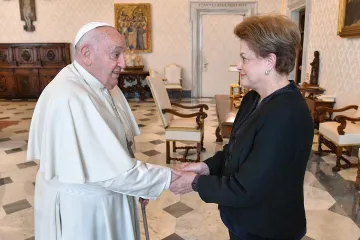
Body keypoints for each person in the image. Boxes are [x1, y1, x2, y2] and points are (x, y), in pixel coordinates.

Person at [27, 22, 178, 240]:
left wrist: (140, 187)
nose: (123, 63)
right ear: (87, 54)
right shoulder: (70, 96)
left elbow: (115, 152)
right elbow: (113, 173)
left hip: (109, 198)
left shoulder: (104, 85)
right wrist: (167, 179)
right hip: (85, 212)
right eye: (116, 55)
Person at [170, 14, 314, 240]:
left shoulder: (286, 115)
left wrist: (196, 183)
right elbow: (236, 151)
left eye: (244, 58)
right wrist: (205, 167)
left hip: (267, 229)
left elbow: (248, 188)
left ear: (270, 61)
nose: (238, 66)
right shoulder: (253, 99)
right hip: (245, 222)